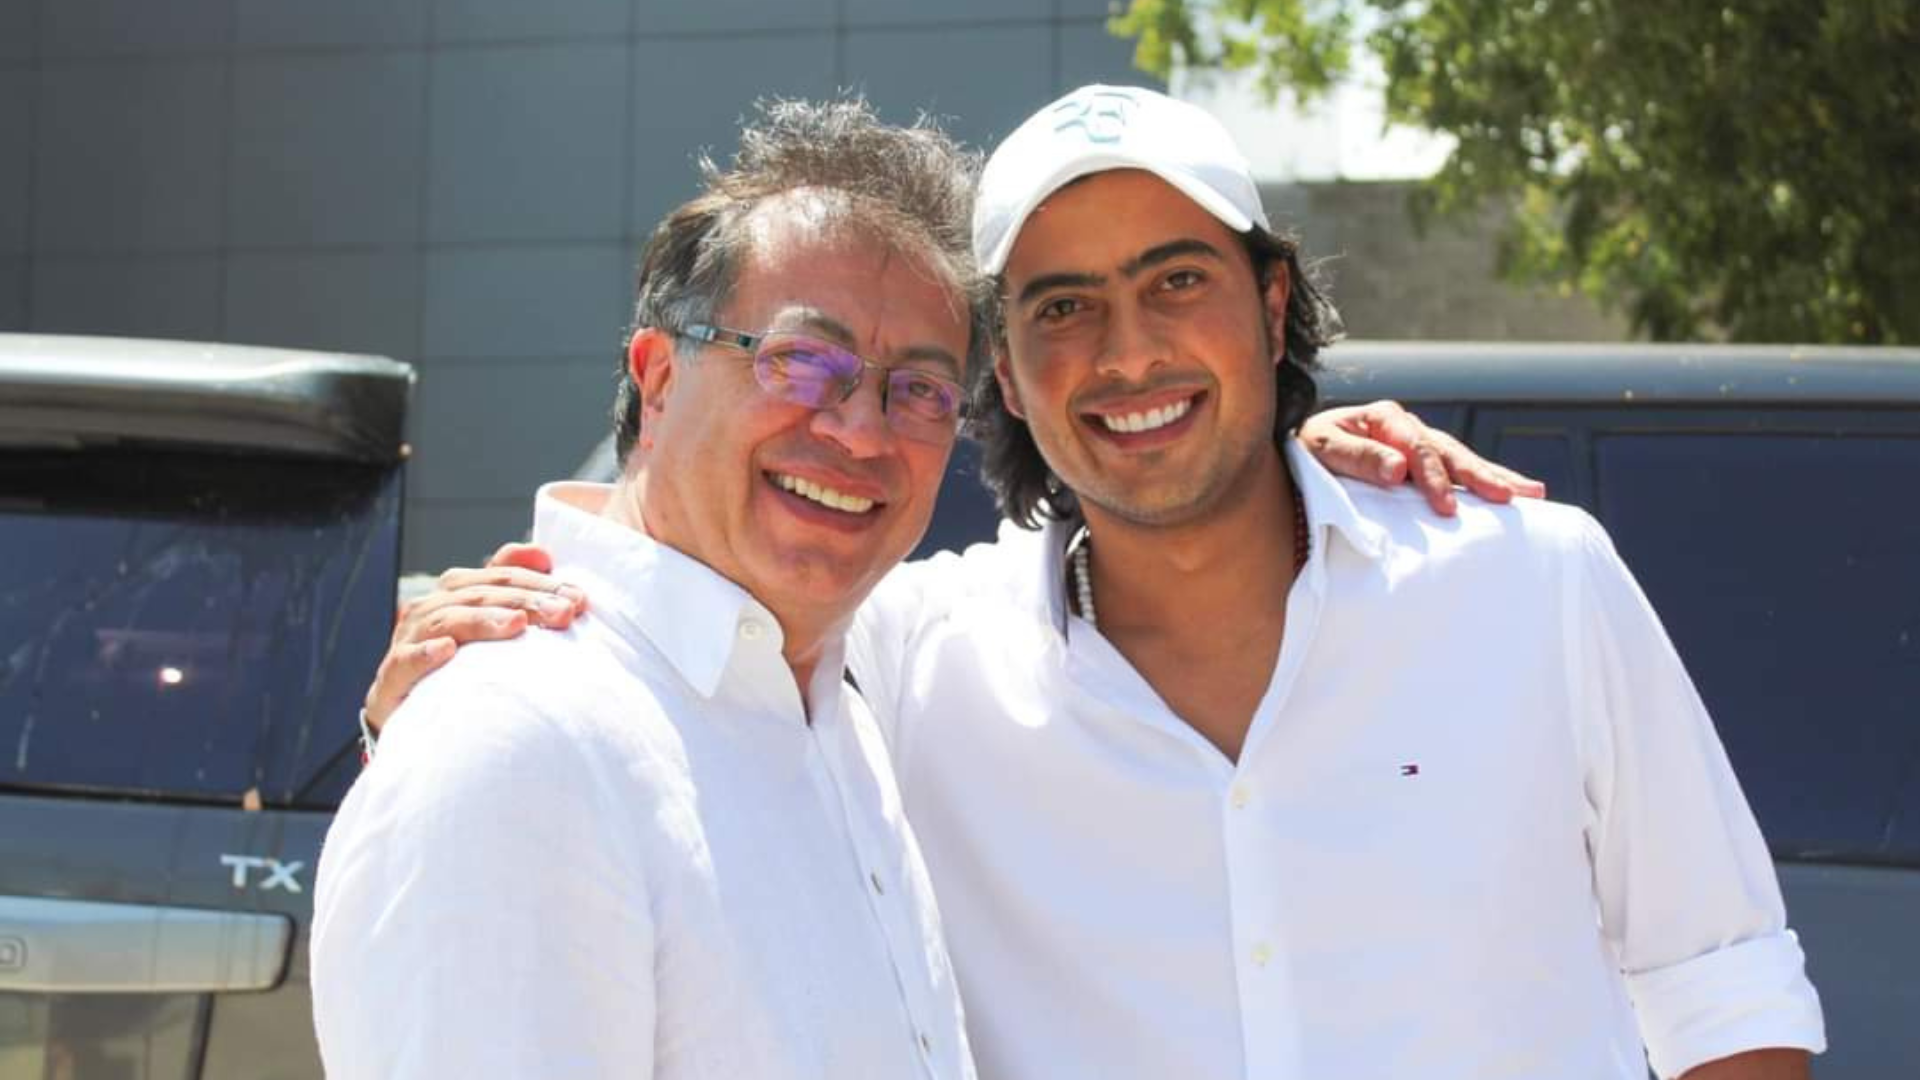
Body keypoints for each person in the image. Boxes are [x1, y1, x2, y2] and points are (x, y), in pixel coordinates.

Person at [362, 86, 1824, 1078]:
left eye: (1177, 282)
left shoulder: (1530, 586)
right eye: (1063, 307)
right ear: (1007, 374)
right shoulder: (912, 662)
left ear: (1270, 304)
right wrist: (445, 691)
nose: (1128, 354)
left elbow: (1728, 996)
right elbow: (675, 642)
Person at [309, 100, 992, 1079]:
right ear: (660, 377)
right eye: (802, 362)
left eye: (920, 391)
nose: (860, 430)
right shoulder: (520, 745)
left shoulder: (833, 717)